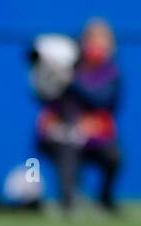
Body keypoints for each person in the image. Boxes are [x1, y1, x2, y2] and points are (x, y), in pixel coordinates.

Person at [35, 18, 122, 213]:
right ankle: (68, 203)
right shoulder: (69, 63)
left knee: (114, 156)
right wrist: (50, 75)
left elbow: (103, 100)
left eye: (103, 42)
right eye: (93, 40)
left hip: (94, 138)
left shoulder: (111, 72)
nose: (97, 46)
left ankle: (104, 200)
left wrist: (71, 81)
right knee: (67, 149)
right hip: (63, 135)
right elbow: (44, 96)